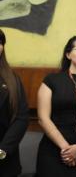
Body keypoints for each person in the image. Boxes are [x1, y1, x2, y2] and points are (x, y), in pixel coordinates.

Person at [36, 36, 76, 176]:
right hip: (53, 150)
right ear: (68, 54)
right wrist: (66, 149)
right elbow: (43, 118)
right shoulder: (52, 80)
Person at [0, 29, 29, 177]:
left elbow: (21, 117)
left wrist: (3, 150)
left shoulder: (12, 79)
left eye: (0, 42)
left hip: (4, 160)